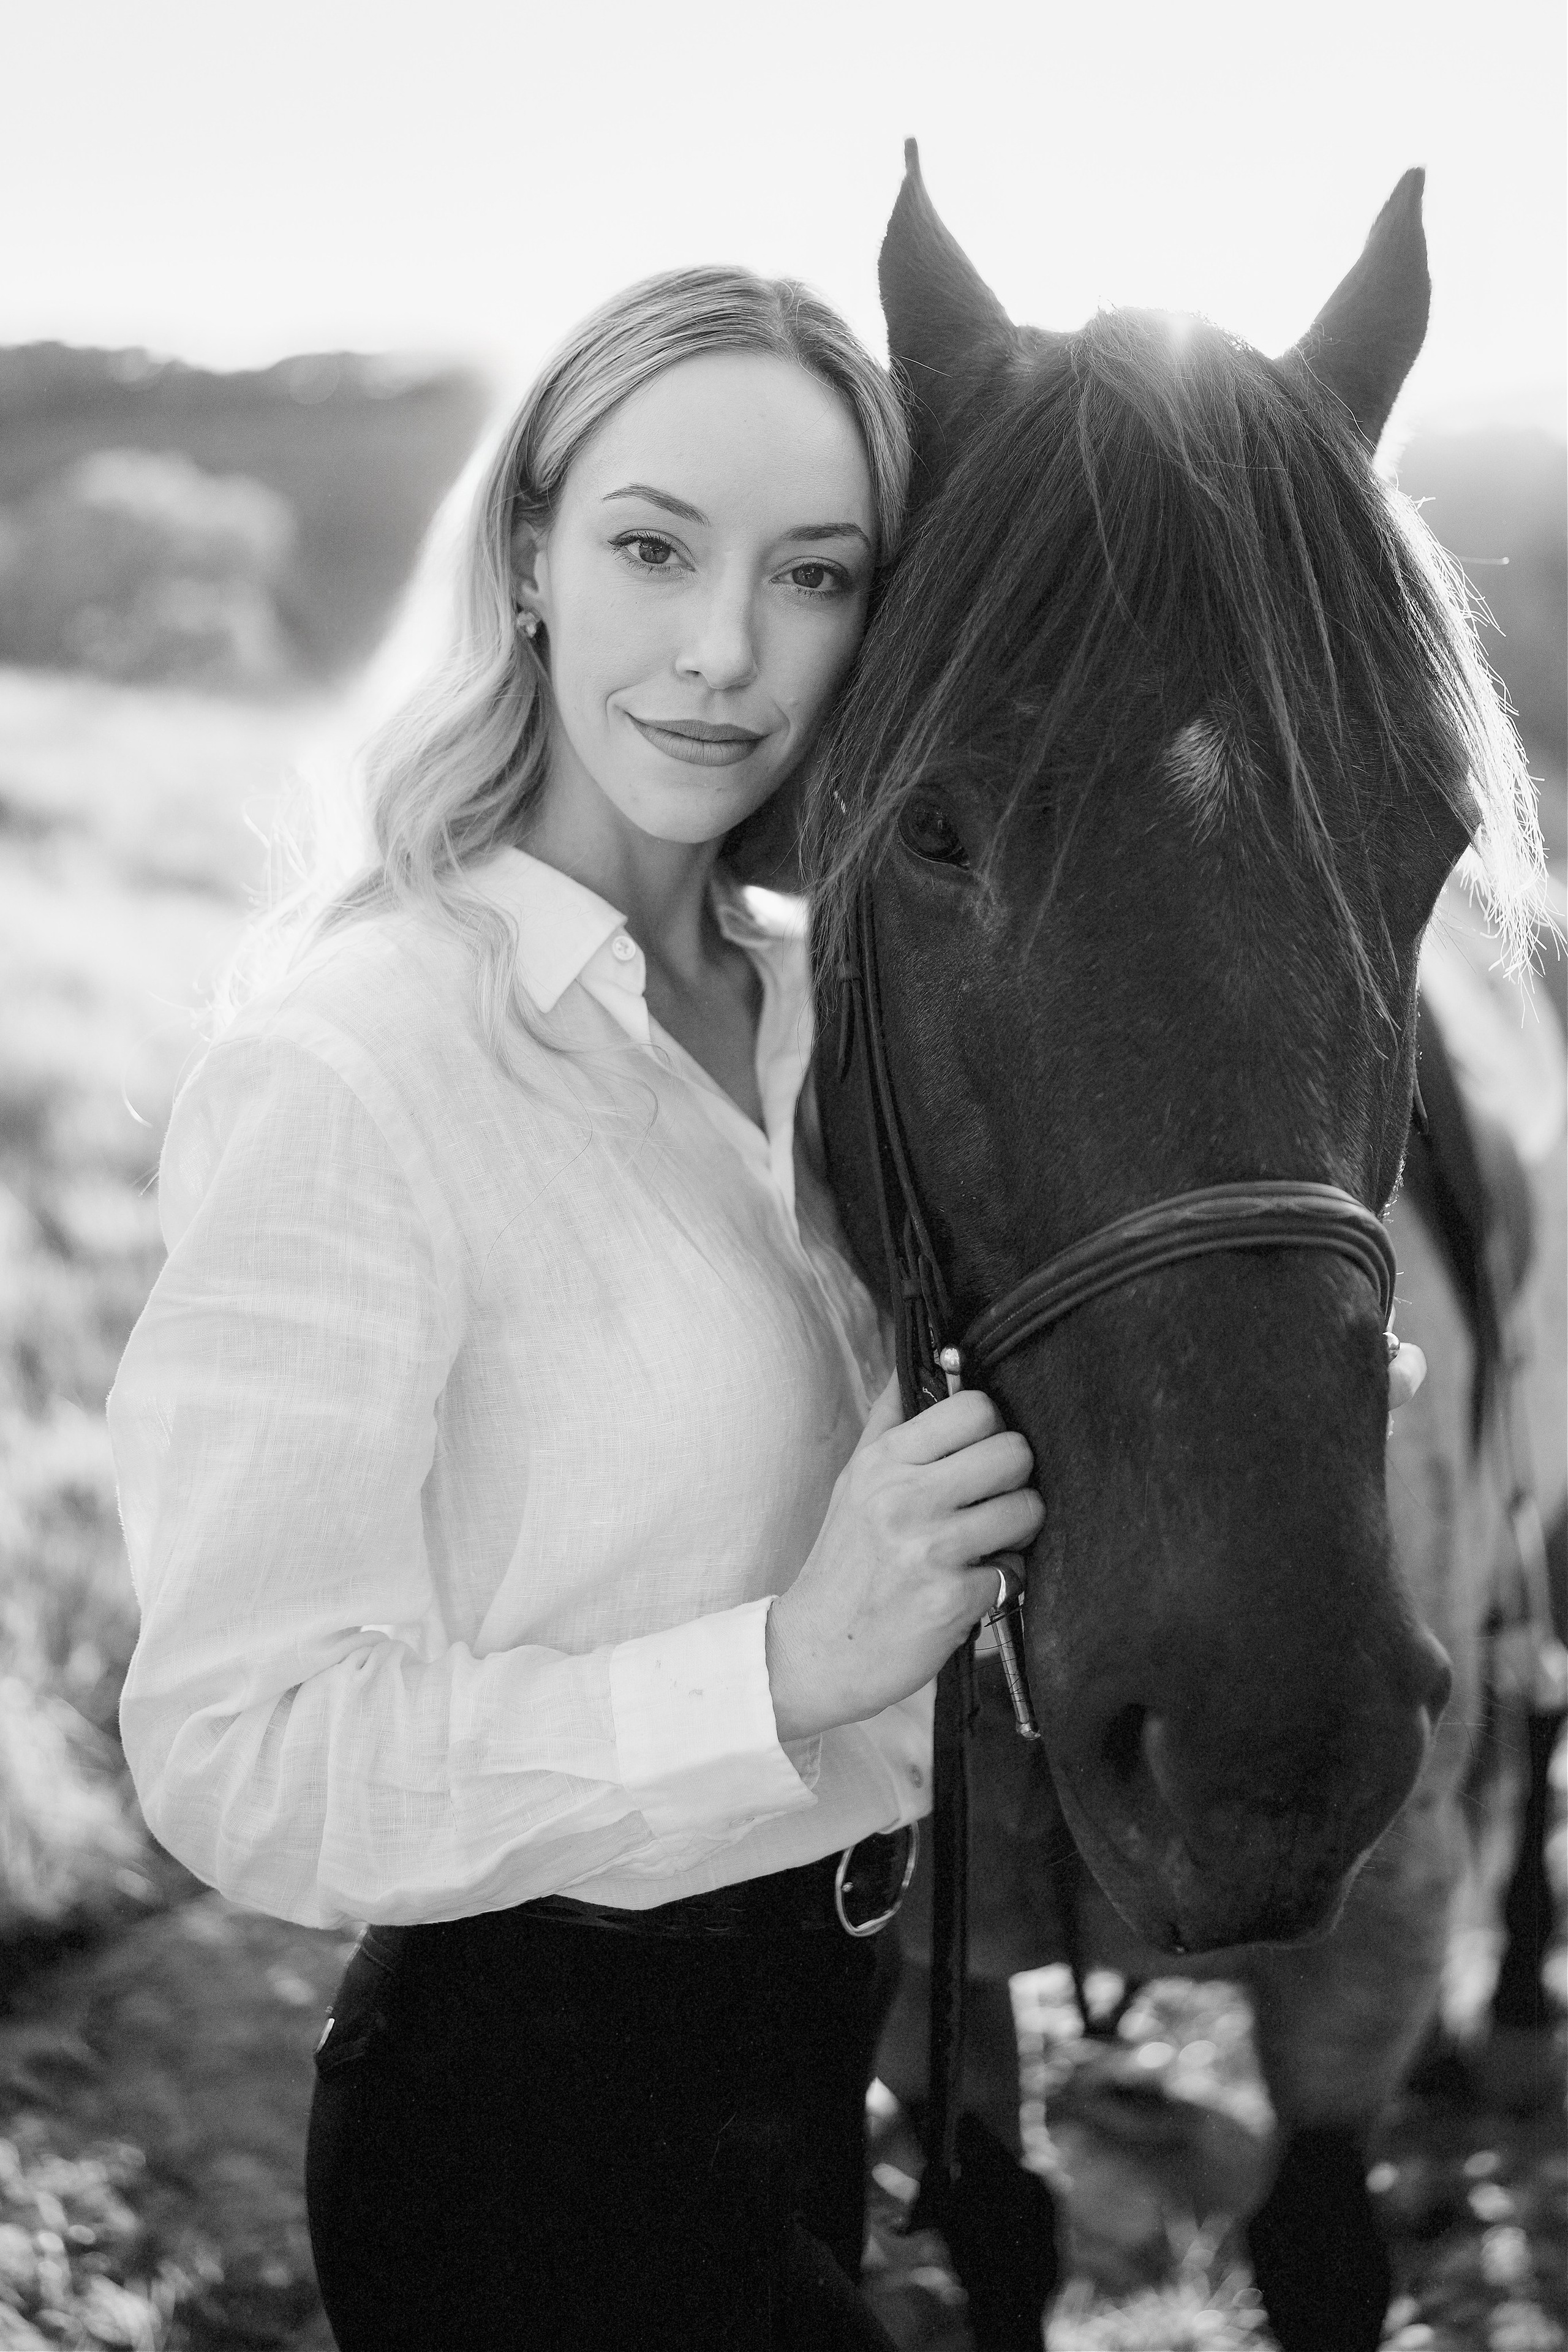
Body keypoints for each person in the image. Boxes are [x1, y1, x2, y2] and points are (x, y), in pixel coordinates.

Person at [106, 267, 1046, 2351]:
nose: (726, 652)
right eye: (651, 546)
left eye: (815, 574)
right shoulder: (362, 1066)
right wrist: (784, 1665)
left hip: (828, 2061)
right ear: (529, 558)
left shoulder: (847, 1014)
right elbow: (239, 1760)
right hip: (526, 2144)